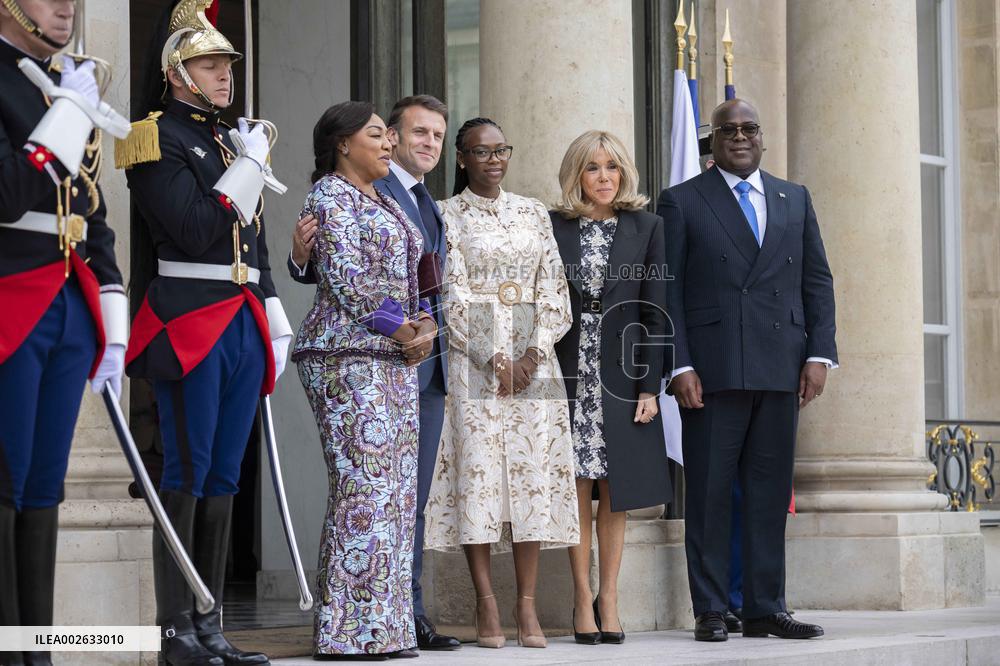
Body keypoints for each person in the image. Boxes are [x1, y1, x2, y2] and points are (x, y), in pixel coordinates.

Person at [118, 1, 292, 663]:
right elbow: (191, 228)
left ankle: (210, 624)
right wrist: (247, 168)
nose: (224, 74)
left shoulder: (227, 140)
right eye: (209, 62)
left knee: (224, 475)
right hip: (190, 316)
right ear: (176, 69)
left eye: (226, 63)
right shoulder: (153, 136)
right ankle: (173, 631)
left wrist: (273, 308)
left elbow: (254, 239)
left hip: (242, 316)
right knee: (186, 473)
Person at [658, 98, 837, 642]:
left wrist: (819, 354)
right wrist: (678, 363)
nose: (739, 136)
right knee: (710, 495)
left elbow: (817, 281)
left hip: (782, 367)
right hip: (710, 373)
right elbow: (667, 290)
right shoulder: (682, 201)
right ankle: (711, 609)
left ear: (762, 138)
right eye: (727, 129)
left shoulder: (794, 197)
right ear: (711, 141)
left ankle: (763, 607)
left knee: (767, 494)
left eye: (749, 128)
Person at [289, 95, 460, 652]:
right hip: (344, 357)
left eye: (389, 136)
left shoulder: (385, 201)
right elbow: (346, 279)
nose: (389, 144)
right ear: (343, 144)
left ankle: (385, 630)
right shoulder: (330, 194)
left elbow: (418, 275)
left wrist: (424, 330)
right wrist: (404, 330)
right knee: (361, 488)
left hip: (393, 358)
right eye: (377, 135)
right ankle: (343, 634)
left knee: (396, 495)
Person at [0, 1, 126, 664]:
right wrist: (66, 119)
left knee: (47, 482)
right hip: (9, 293)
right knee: (6, 478)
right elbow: (7, 192)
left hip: (67, 295)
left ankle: (34, 651)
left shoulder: (63, 81)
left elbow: (91, 209)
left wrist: (111, 304)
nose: (64, 8)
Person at [423, 117, 578, 650]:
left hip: (536, 361)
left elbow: (554, 286)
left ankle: (527, 606)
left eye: (501, 150)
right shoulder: (446, 215)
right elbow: (450, 292)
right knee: (480, 477)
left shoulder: (534, 211)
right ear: (461, 158)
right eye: (481, 151)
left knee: (532, 478)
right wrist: (495, 357)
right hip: (473, 364)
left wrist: (533, 355)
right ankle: (486, 604)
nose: (493, 159)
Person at [550, 130, 670, 646]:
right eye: (593, 167)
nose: (604, 177)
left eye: (613, 167)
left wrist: (650, 386)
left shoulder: (648, 226)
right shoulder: (553, 226)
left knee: (615, 492)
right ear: (577, 174)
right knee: (575, 486)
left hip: (623, 374)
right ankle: (581, 597)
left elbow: (655, 308)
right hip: (565, 368)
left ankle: (610, 597)